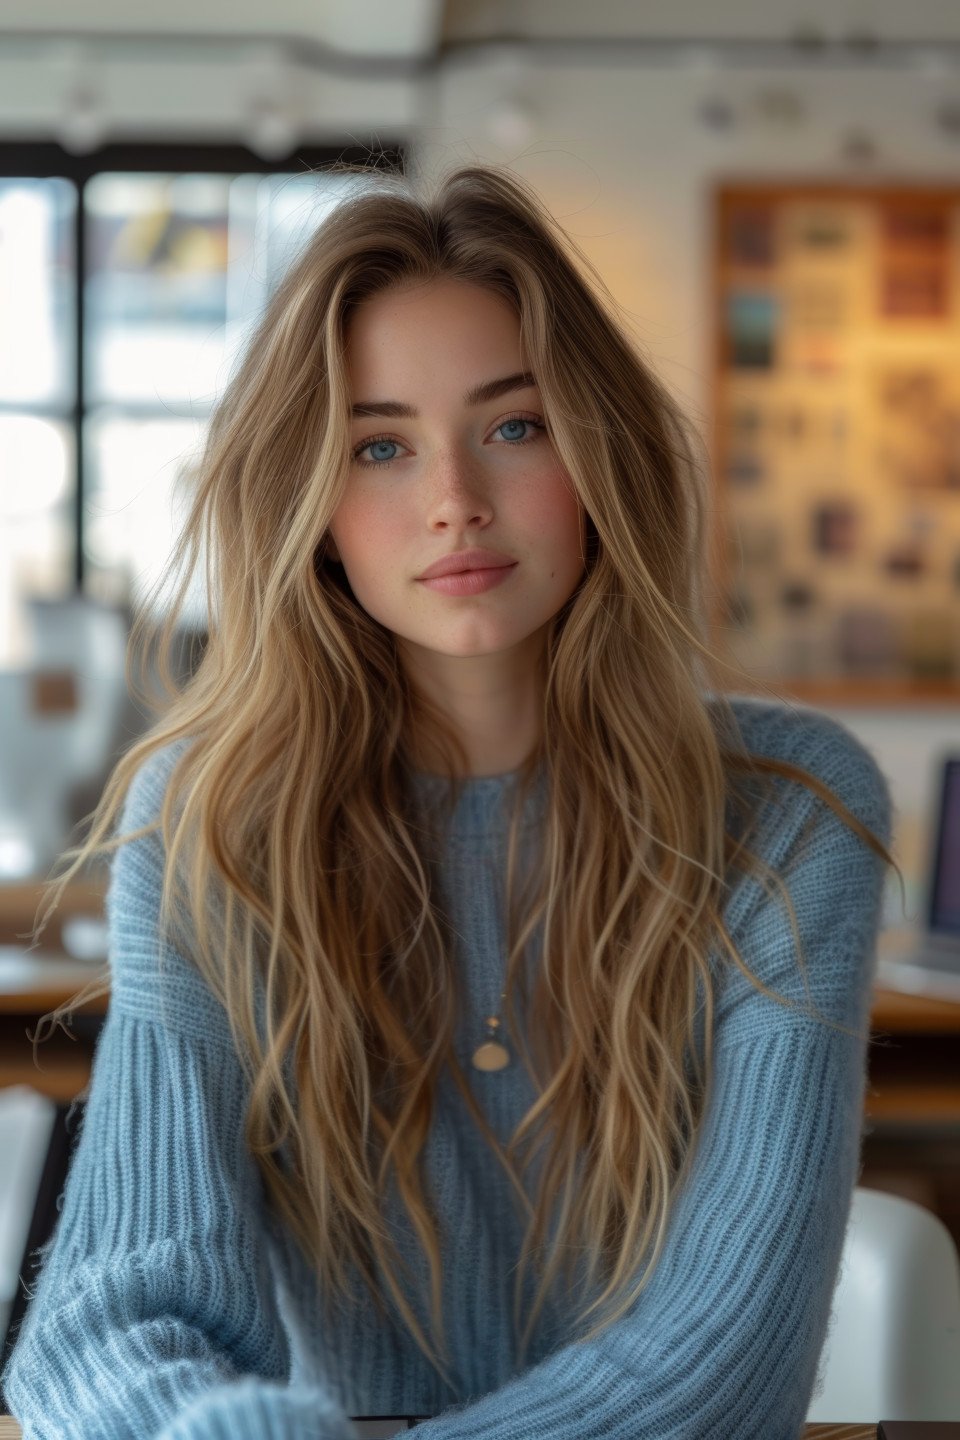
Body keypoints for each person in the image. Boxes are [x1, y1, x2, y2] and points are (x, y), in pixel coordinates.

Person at [2, 160, 901, 1439]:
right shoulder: (207, 823)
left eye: (515, 426)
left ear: (601, 455)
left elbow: (725, 1357)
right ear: (312, 509)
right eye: (379, 445)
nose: (454, 502)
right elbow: (108, 1314)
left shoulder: (790, 812)